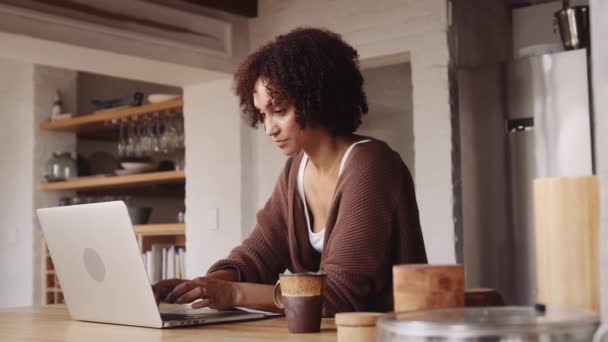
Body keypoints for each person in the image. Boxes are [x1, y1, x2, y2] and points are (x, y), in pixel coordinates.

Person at [154, 27, 427, 316]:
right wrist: (202, 286)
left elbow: (339, 295)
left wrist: (232, 291)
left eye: (279, 110)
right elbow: (256, 259)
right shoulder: (295, 170)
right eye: (262, 114)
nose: (269, 128)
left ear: (317, 98)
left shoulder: (372, 165)